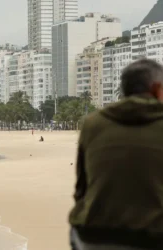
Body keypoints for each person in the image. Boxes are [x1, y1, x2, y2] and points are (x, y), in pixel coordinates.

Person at [69, 59, 163, 250]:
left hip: (94, 236)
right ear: (157, 88)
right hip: (153, 237)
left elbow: (81, 189)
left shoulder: (93, 123)